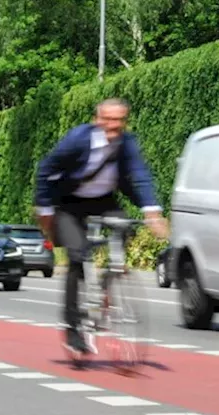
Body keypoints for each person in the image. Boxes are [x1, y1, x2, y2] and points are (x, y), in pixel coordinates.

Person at [34, 97, 169, 355]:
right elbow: (46, 170)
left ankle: (109, 279)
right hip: (69, 203)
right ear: (97, 120)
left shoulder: (127, 143)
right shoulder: (78, 139)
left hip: (103, 200)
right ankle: (72, 330)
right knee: (77, 255)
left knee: (125, 227)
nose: (113, 126)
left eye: (119, 120)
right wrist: (45, 210)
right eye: (108, 120)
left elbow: (139, 174)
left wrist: (152, 211)